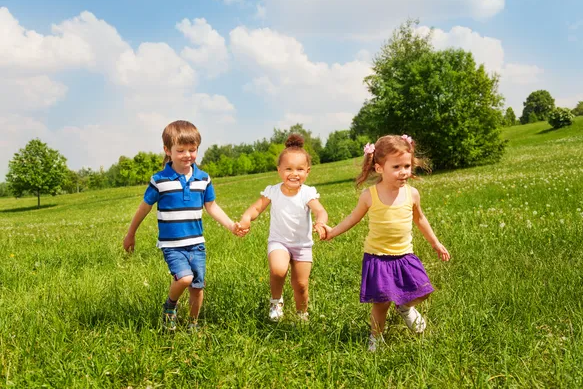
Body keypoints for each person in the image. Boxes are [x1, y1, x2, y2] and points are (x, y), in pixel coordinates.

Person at [322, 134, 450, 351]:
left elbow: (420, 219)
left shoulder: (412, 194)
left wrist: (435, 243)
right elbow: (353, 218)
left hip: (404, 255)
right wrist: (332, 232)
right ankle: (376, 337)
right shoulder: (369, 195)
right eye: (397, 166)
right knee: (381, 303)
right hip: (378, 257)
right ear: (379, 168)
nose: (404, 172)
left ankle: (405, 307)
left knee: (423, 290)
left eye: (407, 165)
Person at [123, 120, 246, 332]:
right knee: (184, 278)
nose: (187, 155)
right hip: (172, 245)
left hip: (197, 243)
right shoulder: (159, 180)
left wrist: (230, 225)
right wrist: (130, 234)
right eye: (180, 150)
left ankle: (193, 324)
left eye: (192, 149)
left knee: (197, 287)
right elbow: (144, 208)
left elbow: (212, 206)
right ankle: (170, 306)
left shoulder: (203, 178)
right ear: (167, 150)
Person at [239, 134, 328, 322]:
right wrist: (247, 217)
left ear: (307, 171)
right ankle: (276, 302)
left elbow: (320, 211)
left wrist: (320, 222)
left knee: (301, 285)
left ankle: (302, 314)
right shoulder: (273, 191)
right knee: (278, 271)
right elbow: (256, 208)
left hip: (303, 245)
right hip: (279, 241)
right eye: (288, 169)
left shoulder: (307, 193)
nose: (294, 174)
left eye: (299, 169)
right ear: (279, 170)